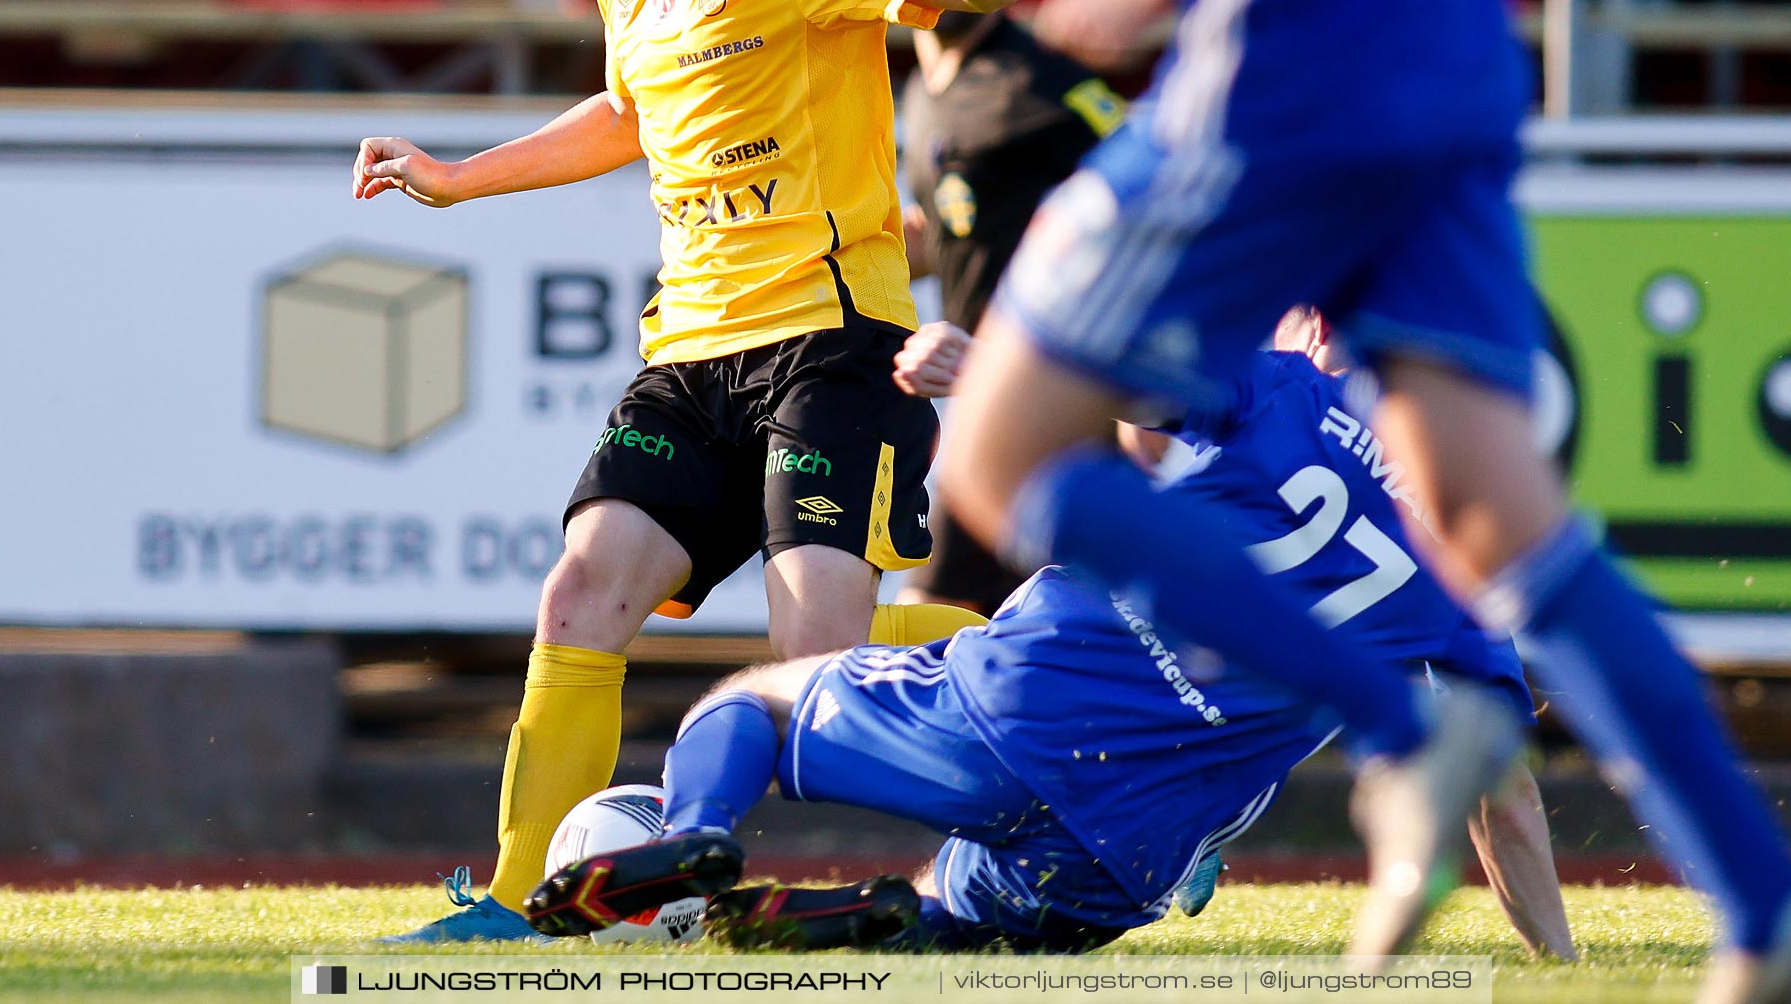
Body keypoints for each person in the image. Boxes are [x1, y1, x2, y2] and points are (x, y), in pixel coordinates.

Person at [931, 0, 1791, 994]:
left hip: (1290, 45)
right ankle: (1758, 907)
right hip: (1448, 43)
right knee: (1503, 525)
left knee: (998, 452)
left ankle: (1398, 728)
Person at [351, 0, 1019, 942]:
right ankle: (511, 905)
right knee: (579, 591)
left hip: (833, 335)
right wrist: (457, 176)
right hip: (690, 348)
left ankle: (1094, 698)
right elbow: (622, 116)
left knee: (818, 661)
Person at [523, 311, 1576, 959]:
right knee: (962, 925)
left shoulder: (1289, 387)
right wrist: (1558, 964)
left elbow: (1133, 385)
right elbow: (1508, 798)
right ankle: (870, 919)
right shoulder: (1471, 571)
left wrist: (986, 367)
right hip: (1138, 848)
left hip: (1026, 702)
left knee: (745, 703)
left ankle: (690, 834)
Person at [894, 0, 1127, 616]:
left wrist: (1003, 360)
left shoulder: (1044, 95)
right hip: (989, 416)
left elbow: (1147, 237)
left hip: (1066, 428)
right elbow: (959, 225)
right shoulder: (920, 87)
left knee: (930, 628)